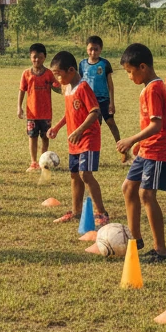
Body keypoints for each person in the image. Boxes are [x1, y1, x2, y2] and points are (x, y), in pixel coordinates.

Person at [117, 43, 166, 263]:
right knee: (128, 188)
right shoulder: (149, 87)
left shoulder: (153, 89)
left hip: (160, 148)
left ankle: (161, 251)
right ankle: (135, 240)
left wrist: (132, 139)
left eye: (130, 72)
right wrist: (140, 145)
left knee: (147, 195)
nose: (130, 77)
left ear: (143, 67)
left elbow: (157, 125)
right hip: (148, 148)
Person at [48, 51, 109, 228]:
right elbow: (69, 113)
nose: (58, 79)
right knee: (74, 175)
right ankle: (76, 212)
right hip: (74, 140)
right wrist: (57, 128)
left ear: (71, 70)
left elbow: (95, 112)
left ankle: (102, 213)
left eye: (59, 75)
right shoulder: (67, 88)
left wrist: (80, 130)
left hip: (88, 138)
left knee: (85, 174)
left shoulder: (83, 88)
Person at [17, 42, 59, 172]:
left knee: (45, 137)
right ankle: (33, 162)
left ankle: (43, 161)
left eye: (40, 57)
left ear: (44, 58)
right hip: (32, 113)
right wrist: (19, 107)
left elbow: (57, 86)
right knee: (32, 137)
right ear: (30, 57)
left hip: (46, 113)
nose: (37, 60)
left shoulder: (49, 74)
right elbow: (22, 90)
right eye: (34, 57)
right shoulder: (26, 74)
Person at [79, 35, 122, 155]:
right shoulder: (82, 65)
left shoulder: (104, 64)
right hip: (89, 101)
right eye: (90, 49)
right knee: (93, 127)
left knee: (111, 123)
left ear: (101, 49)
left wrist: (112, 103)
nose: (93, 52)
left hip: (103, 100)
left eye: (96, 49)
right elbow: (80, 83)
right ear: (87, 49)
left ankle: (122, 149)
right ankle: (89, 152)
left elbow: (110, 85)